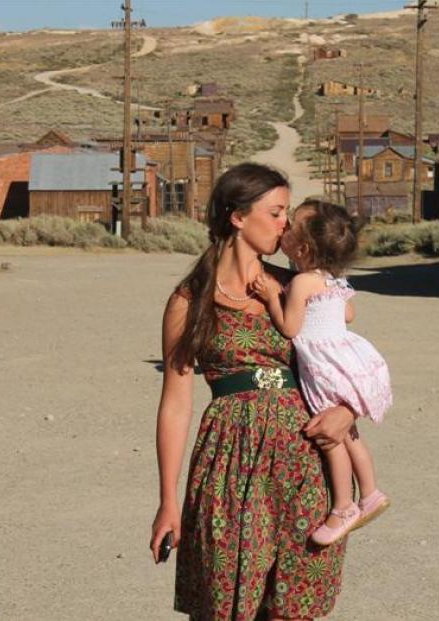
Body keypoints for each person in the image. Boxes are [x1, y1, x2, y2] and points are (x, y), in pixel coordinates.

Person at [150, 163, 357, 621]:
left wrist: (347, 410)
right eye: (278, 212)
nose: (287, 225)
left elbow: (346, 363)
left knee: (292, 609)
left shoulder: (297, 289)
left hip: (305, 461)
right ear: (238, 217)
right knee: (226, 607)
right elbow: (176, 404)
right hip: (228, 465)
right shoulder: (189, 301)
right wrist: (168, 500)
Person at [251, 200, 392, 546]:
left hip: (323, 368)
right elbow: (349, 314)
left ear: (302, 248)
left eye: (291, 227)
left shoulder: (300, 283)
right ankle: (370, 492)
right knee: (350, 434)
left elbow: (289, 326)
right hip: (346, 360)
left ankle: (344, 506)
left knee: (331, 441)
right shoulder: (334, 280)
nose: (283, 228)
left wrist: (272, 297)